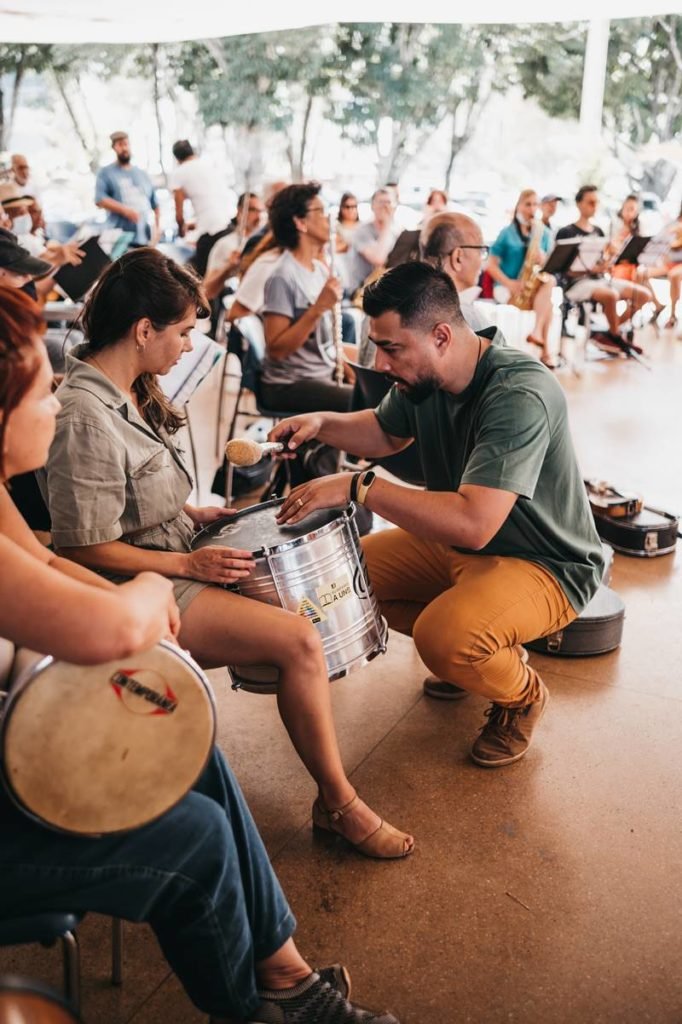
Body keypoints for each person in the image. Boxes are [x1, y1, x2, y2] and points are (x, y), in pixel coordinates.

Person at [0, 285, 402, 1024]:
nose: (55, 404)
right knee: (200, 833)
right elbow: (101, 607)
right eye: (39, 392)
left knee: (201, 754)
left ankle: (284, 974)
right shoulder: (89, 413)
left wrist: (163, 568)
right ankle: (251, 1010)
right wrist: (153, 590)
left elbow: (48, 566)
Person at [39, 248, 412, 864]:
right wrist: (189, 565)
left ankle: (331, 791)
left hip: (169, 555)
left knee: (301, 619)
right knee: (298, 641)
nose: (190, 345)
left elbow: (133, 496)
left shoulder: (127, 388)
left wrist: (193, 515)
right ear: (143, 330)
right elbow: (83, 547)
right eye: (184, 331)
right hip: (131, 590)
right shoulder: (85, 414)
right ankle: (339, 805)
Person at [269, 262, 604, 770]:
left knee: (442, 638)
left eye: (391, 348)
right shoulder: (423, 380)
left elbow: (474, 522)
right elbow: (384, 433)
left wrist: (361, 487)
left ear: (441, 336)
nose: (380, 363)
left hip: (545, 564)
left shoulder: (518, 393)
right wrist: (321, 424)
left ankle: (521, 693)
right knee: (342, 582)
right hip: (462, 548)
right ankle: (474, 649)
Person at [261, 183, 352, 413]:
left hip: (320, 372)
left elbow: (325, 343)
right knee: (363, 403)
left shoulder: (319, 270)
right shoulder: (283, 276)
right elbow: (277, 350)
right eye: (320, 211)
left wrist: (345, 364)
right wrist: (318, 308)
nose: (328, 219)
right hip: (289, 384)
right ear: (300, 222)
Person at [555, 185, 651, 348]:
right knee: (611, 295)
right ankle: (615, 338)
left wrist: (610, 259)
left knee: (643, 295)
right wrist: (589, 269)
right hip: (577, 283)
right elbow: (562, 268)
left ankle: (609, 333)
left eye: (596, 202)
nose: (595, 206)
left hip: (600, 279)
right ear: (579, 204)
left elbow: (602, 262)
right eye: (590, 202)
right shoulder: (566, 232)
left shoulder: (599, 231)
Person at [486, 189, 558, 367]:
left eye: (535, 204)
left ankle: (537, 333)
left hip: (531, 288)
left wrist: (544, 259)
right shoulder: (506, 233)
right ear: (518, 206)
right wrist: (509, 283)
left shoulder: (543, 233)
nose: (532, 209)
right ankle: (545, 350)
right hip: (506, 287)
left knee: (550, 282)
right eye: (528, 204)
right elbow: (490, 265)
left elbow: (550, 266)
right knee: (547, 303)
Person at [420, 211, 494, 333]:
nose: (483, 262)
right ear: (458, 258)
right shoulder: (469, 319)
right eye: (480, 251)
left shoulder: (404, 305)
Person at [170, 139, 233, 276]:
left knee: (194, 275)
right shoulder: (209, 166)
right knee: (218, 273)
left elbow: (179, 215)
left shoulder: (179, 173)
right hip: (228, 227)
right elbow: (211, 203)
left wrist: (181, 230)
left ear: (177, 159)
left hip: (211, 232)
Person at [95, 131, 160, 248]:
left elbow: (155, 205)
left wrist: (157, 229)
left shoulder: (142, 174)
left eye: (126, 144)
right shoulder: (106, 173)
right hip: (118, 240)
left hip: (143, 239)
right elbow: (100, 199)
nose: (124, 148)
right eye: (120, 145)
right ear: (114, 148)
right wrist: (126, 211)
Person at [607, 194, 665, 323]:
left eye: (632, 209)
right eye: (627, 208)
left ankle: (620, 322)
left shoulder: (637, 228)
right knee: (640, 276)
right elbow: (609, 251)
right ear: (622, 208)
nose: (629, 213)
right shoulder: (615, 225)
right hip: (617, 267)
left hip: (632, 265)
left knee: (641, 274)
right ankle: (656, 305)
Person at [203, 192, 265, 302]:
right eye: (252, 210)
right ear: (240, 212)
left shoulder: (267, 243)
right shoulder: (225, 244)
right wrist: (229, 267)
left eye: (260, 211)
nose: (258, 216)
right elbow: (207, 292)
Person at [345, 189, 400, 298]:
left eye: (388, 203)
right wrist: (387, 224)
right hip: (362, 291)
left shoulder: (398, 231)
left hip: (386, 290)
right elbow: (378, 259)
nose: (385, 207)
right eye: (380, 202)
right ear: (372, 206)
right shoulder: (361, 231)